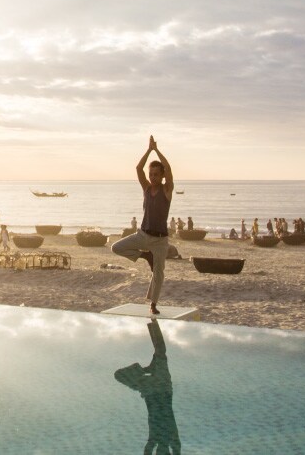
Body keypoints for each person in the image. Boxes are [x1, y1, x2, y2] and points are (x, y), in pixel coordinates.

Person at [111, 137, 175, 315]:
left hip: (161, 240)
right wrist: (148, 150)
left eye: (156, 174)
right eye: (151, 174)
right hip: (143, 236)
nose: (153, 177)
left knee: (159, 273)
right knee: (116, 247)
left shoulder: (167, 190)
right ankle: (145, 256)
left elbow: (168, 168)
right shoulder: (146, 188)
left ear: (161, 176)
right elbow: (138, 168)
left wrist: (157, 151)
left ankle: (153, 304)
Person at [114, 319, 182, 455]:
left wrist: (144, 372)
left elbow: (151, 450)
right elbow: (169, 450)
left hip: (154, 389)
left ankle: (146, 368)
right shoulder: (167, 439)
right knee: (161, 352)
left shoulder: (158, 439)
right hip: (159, 387)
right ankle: (153, 322)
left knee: (118, 375)